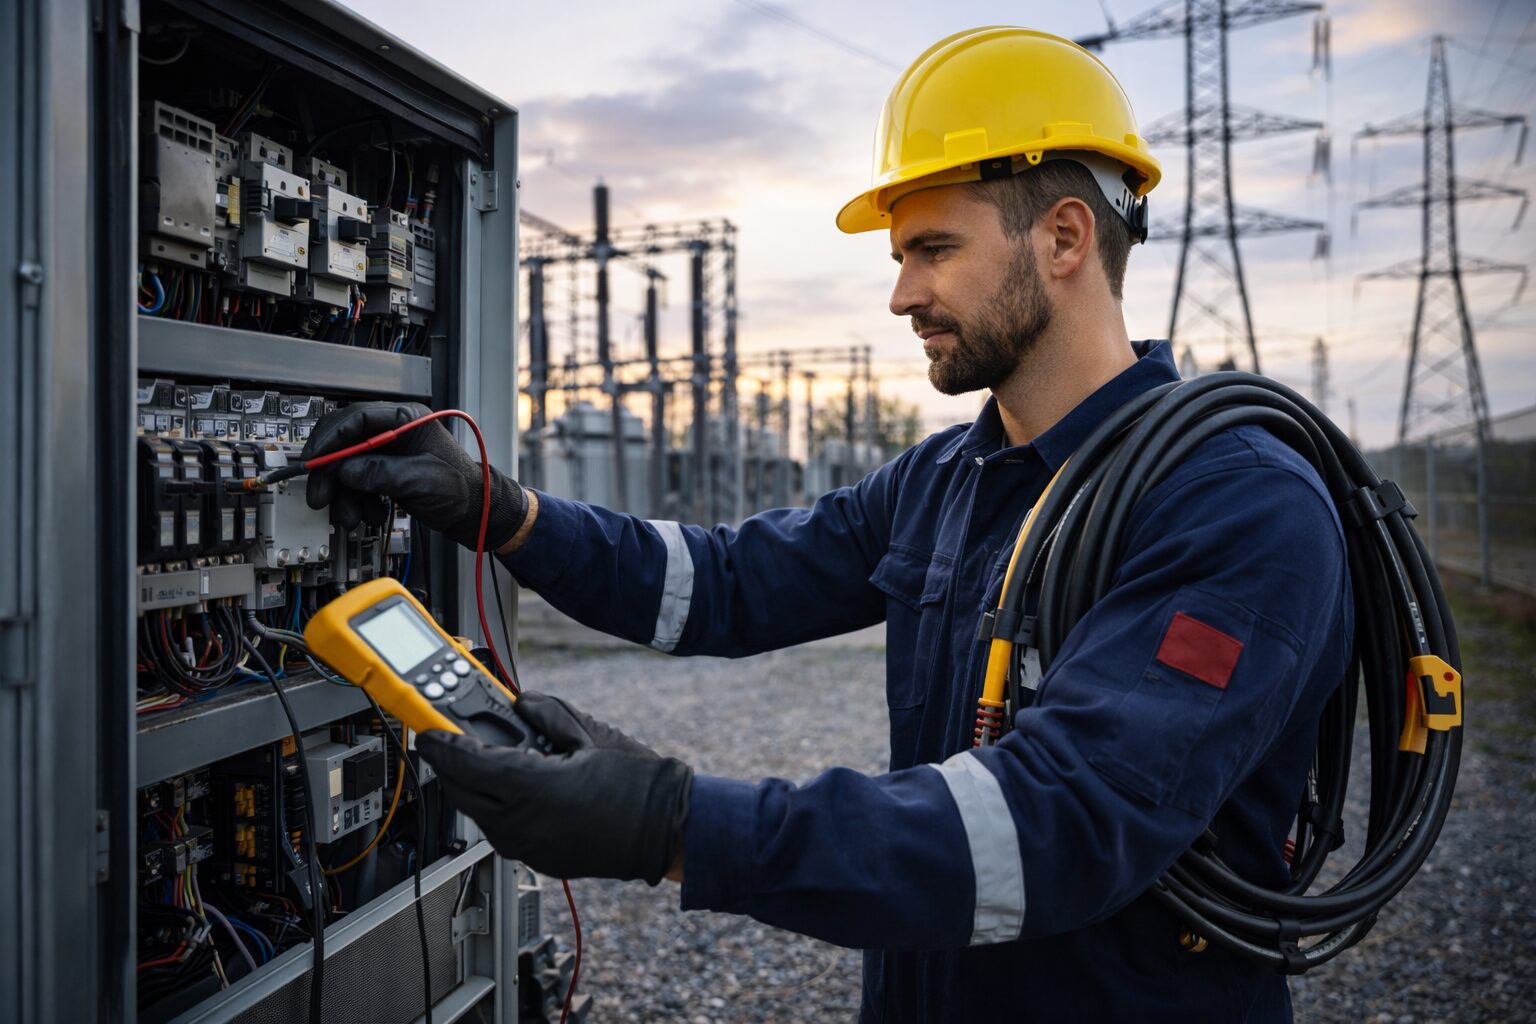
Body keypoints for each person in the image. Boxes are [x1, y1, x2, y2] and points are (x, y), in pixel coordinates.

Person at [302, 27, 1350, 1022]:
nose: (902, 294)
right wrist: (500, 508)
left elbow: (1061, 822)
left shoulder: (1236, 505)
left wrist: (671, 823)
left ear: (1065, 237)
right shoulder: (945, 479)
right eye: (901, 255)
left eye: (934, 249)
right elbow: (722, 583)